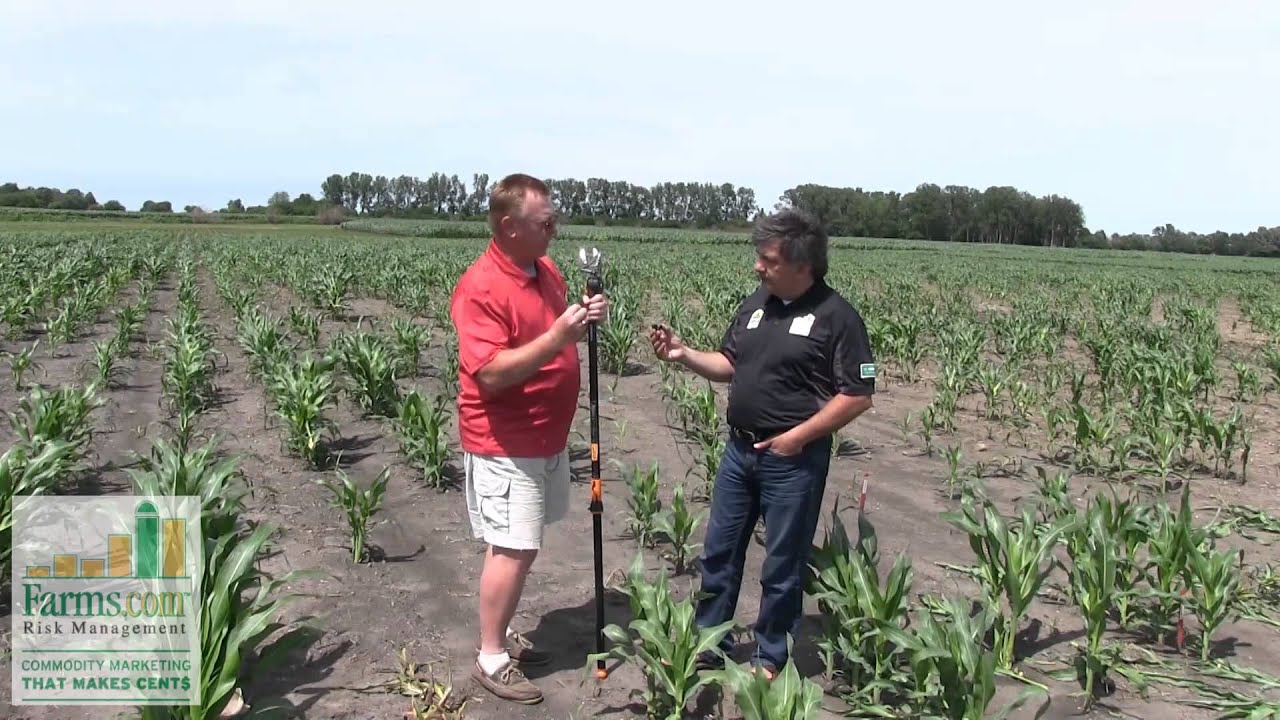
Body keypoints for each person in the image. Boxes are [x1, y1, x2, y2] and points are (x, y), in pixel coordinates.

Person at [647, 208, 875, 678]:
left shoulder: (838, 318)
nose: (758, 266)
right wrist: (683, 353)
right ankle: (709, 641)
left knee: (782, 564)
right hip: (738, 453)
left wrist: (797, 438)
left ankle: (771, 654)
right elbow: (730, 363)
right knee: (719, 553)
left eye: (768, 259)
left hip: (792, 460)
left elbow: (857, 395)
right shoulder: (757, 304)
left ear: (801, 265)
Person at [449, 173, 607, 704]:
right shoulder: (481, 287)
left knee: (521, 544)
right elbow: (489, 373)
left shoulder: (545, 269)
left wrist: (581, 321)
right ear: (509, 226)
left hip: (544, 435)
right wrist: (559, 336)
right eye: (546, 223)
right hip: (505, 441)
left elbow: (554, 332)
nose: (555, 230)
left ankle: (502, 629)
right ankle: (491, 655)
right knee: (514, 548)